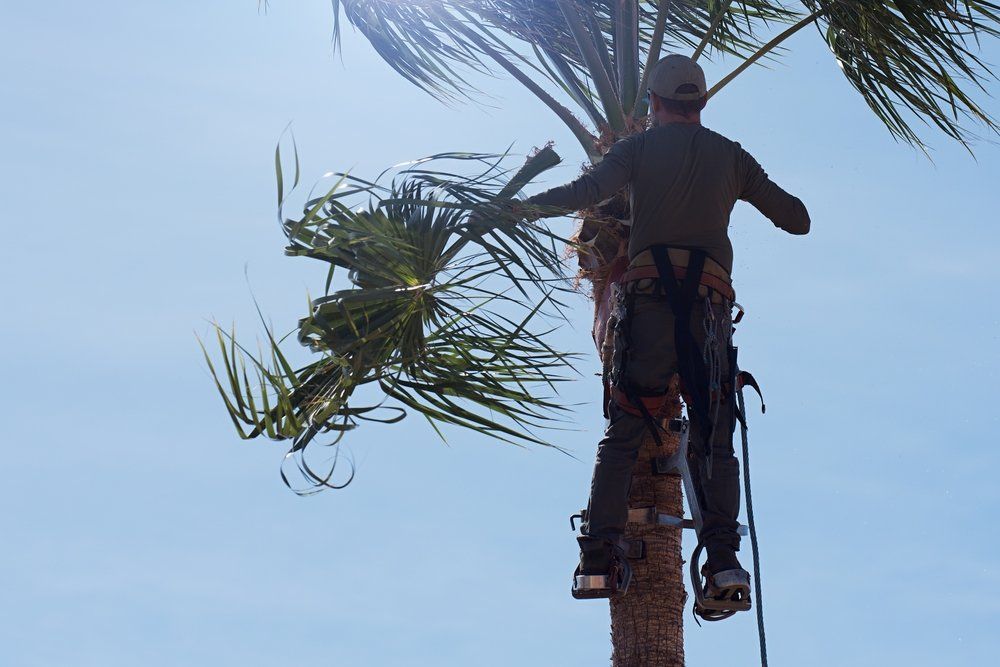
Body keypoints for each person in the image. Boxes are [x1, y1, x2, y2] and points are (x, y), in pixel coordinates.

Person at [522, 54, 811, 607]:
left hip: (649, 303)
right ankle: (723, 565)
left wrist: (522, 207)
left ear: (652, 103)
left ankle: (599, 558)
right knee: (712, 433)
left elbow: (585, 193)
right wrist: (740, 189)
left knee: (628, 424)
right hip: (708, 312)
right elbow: (797, 219)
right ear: (701, 104)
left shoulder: (637, 148)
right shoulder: (732, 156)